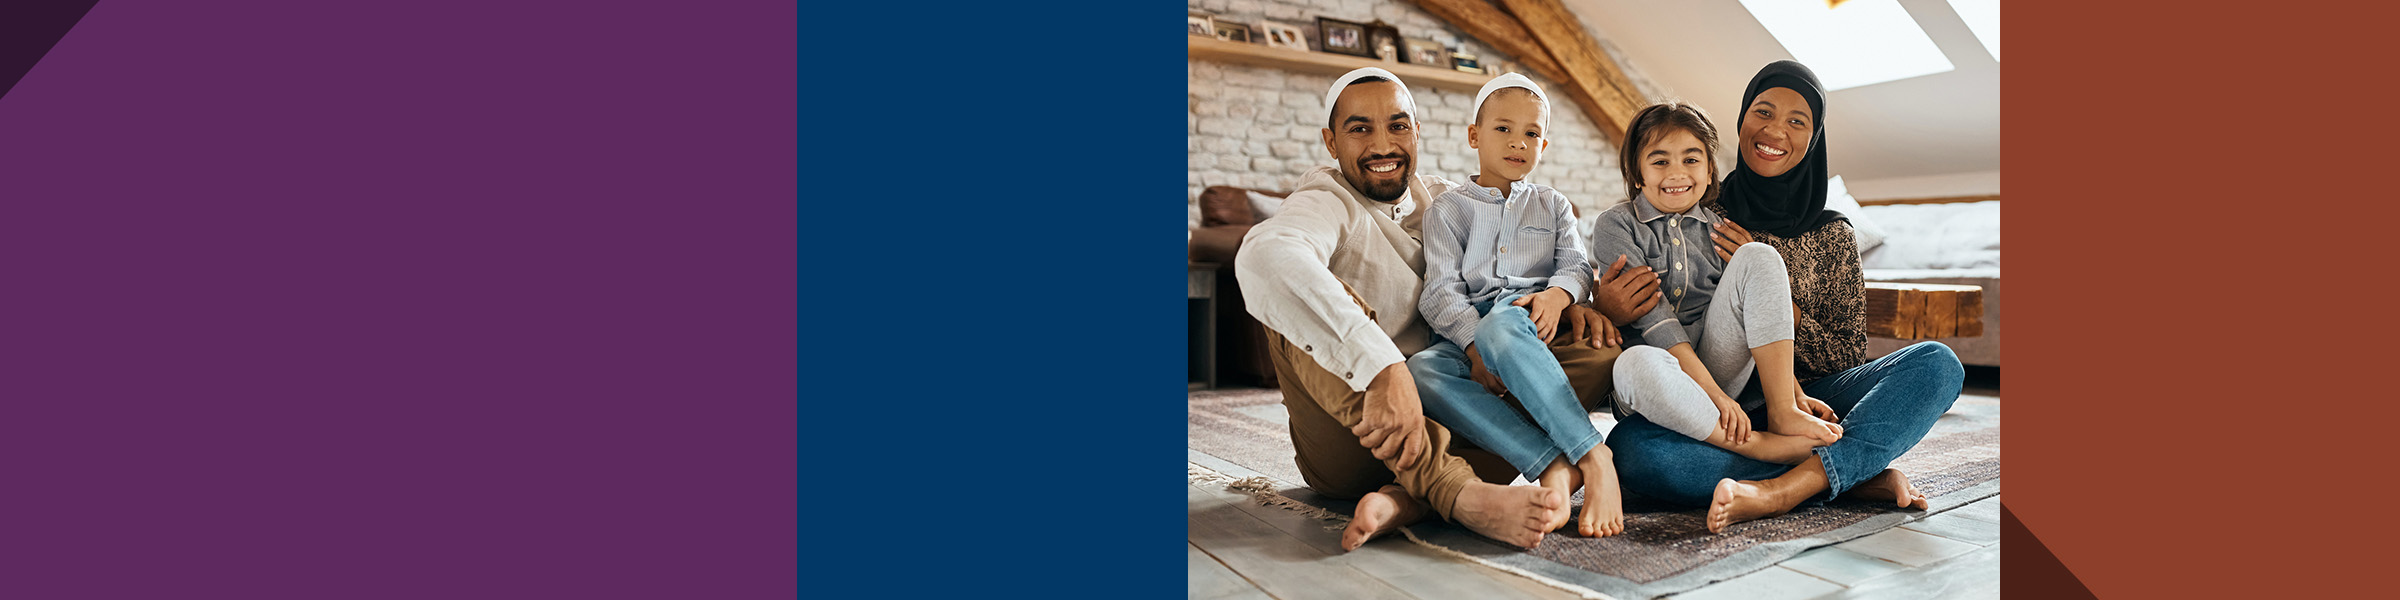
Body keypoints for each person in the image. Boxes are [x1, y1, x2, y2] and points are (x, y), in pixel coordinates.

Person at [1234, 68, 1619, 550]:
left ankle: (1405, 501)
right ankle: (1454, 492)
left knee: (1595, 352)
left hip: (1456, 409)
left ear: (1418, 132)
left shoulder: (1443, 199)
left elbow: (1559, 266)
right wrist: (1383, 369)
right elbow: (1266, 256)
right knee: (1295, 298)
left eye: (1397, 126)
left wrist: (1575, 301)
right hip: (1361, 427)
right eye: (1360, 128)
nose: (1382, 145)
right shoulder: (1324, 202)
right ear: (1331, 143)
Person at [1589, 61, 1966, 533]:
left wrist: (1779, 313)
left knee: (1937, 363)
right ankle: (1850, 474)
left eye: (1796, 121)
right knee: (1634, 453)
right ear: (1742, 121)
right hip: (1717, 400)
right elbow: (1641, 302)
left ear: (1814, 137)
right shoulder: (1703, 207)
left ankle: (1785, 488)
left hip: (1810, 401)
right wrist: (1604, 307)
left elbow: (1846, 355)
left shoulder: (1832, 234)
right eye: (1763, 113)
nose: (1775, 130)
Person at [1405, 74, 1624, 538]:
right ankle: (1552, 464)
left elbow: (1578, 268)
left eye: (1531, 133)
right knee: (1421, 370)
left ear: (1543, 144)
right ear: (1474, 136)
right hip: (1470, 328)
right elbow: (1440, 291)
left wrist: (1556, 295)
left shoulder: (1553, 205)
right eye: (1503, 129)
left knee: (1503, 325)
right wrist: (1470, 346)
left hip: (1527, 322)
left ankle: (1593, 453)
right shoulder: (1448, 210)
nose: (1518, 142)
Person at [1590, 102, 1841, 469]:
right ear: (1637, 173)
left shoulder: (1718, 229)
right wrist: (1718, 400)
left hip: (1717, 368)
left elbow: (1754, 318)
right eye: (1660, 162)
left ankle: (1782, 412)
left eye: (1691, 160)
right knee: (1633, 362)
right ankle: (1756, 446)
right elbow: (1655, 322)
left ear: (1710, 172)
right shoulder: (1617, 225)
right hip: (1657, 380)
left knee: (1758, 255)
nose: (1676, 173)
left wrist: (1794, 393)